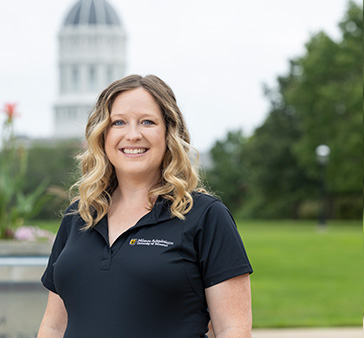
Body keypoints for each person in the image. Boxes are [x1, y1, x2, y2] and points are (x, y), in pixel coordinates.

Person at [37, 74, 253, 338]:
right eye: (119, 123)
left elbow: (234, 328)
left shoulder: (204, 216)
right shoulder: (78, 216)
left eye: (147, 122)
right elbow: (54, 326)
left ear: (169, 132)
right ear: (103, 135)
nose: (133, 135)